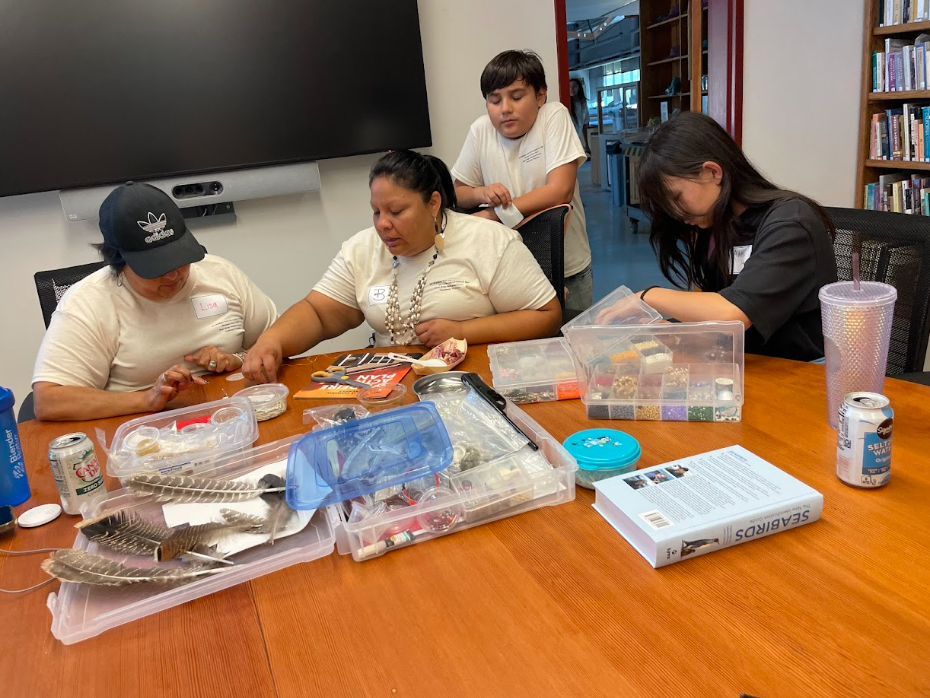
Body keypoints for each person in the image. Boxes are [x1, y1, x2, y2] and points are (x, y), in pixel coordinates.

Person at [242, 150, 561, 383]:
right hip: (389, 386)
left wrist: (463, 331)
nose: (383, 225)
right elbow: (319, 313)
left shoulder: (488, 240)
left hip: (474, 383)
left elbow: (546, 317)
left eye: (396, 211)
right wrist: (273, 341)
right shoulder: (362, 248)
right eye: (376, 212)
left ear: (433, 203)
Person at [597, 112, 837, 362]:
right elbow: (719, 323)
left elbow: (733, 312)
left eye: (677, 198)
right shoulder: (718, 226)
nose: (676, 214)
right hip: (743, 362)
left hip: (799, 373)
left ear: (713, 172)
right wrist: (665, 331)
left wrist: (646, 296)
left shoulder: (790, 224)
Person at [32, 182, 277, 421]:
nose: (173, 275)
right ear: (118, 262)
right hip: (143, 430)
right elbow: (49, 400)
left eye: (179, 258)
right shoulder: (87, 303)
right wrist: (147, 399)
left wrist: (238, 359)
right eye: (155, 267)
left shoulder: (220, 273)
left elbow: (278, 340)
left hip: (232, 412)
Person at [451, 50, 594, 313]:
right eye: (494, 100)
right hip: (510, 271)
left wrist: (493, 215)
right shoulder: (481, 130)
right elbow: (459, 193)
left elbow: (559, 191)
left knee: (572, 343)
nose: (505, 108)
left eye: (517, 97)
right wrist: (483, 193)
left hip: (565, 267)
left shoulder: (553, 116)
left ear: (540, 95)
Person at [568, 77, 590, 155]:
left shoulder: (583, 103)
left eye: (574, 86)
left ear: (579, 88)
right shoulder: (567, 104)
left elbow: (584, 124)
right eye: (569, 87)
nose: (571, 89)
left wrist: (586, 144)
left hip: (577, 137)